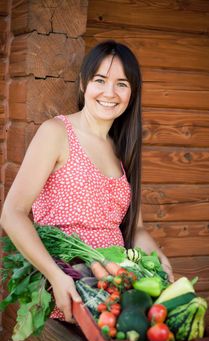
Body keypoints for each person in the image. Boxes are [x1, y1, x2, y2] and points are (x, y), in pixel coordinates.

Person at [0, 40, 174, 324]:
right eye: (100, 80)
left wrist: (158, 257)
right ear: (83, 84)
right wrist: (55, 275)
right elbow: (12, 214)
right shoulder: (56, 132)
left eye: (122, 84)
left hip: (115, 286)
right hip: (72, 284)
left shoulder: (121, 148)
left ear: (132, 92)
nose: (110, 92)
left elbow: (137, 228)